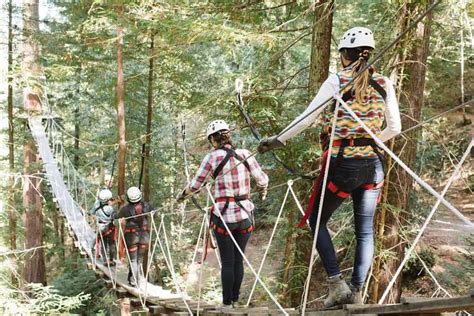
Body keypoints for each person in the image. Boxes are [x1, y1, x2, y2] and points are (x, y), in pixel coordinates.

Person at [258, 27, 401, 308]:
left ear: (345, 55)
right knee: (365, 231)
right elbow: (394, 127)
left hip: (343, 163)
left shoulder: (337, 81)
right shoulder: (384, 82)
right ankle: (356, 292)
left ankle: (337, 285)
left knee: (316, 220)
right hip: (373, 166)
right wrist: (369, 140)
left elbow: (308, 118)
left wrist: (277, 140)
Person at [177, 120, 269, 309]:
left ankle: (227, 304)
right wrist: (263, 191)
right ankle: (235, 300)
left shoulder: (212, 158)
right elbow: (262, 179)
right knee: (238, 259)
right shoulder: (244, 154)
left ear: (213, 139)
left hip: (224, 218)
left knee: (227, 261)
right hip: (245, 216)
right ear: (228, 135)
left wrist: (182, 196)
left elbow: (195, 185)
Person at [115, 186, 154, 287]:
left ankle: (134, 282)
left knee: (133, 260)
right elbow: (155, 214)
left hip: (131, 236)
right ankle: (132, 278)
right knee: (138, 259)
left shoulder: (125, 209)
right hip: (144, 236)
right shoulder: (147, 206)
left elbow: (116, 218)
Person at [89, 188, 117, 266]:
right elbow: (115, 217)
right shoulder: (110, 209)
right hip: (109, 228)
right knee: (111, 244)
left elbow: (92, 212)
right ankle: (111, 260)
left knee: (103, 244)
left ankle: (105, 260)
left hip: (100, 227)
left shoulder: (96, 204)